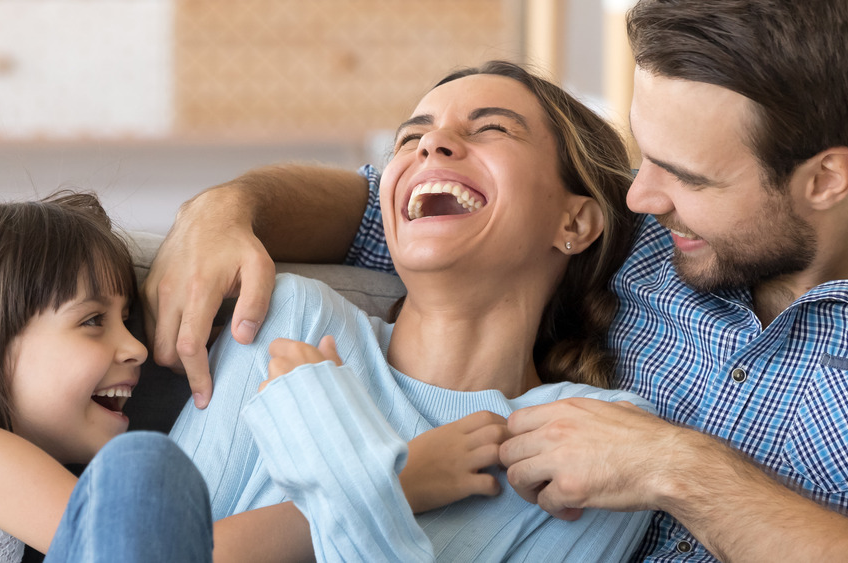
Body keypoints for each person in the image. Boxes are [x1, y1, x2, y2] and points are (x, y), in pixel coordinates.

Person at [143, 0, 848, 561]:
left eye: (685, 175)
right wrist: (228, 205)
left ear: (826, 178)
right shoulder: (645, 231)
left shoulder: (579, 440)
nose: (641, 194)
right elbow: (379, 208)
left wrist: (676, 466)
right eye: (646, 155)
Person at [169, 60, 654, 561]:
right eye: (409, 139)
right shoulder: (293, 320)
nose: (431, 145)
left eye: (491, 128)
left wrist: (334, 447)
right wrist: (393, 483)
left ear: (573, 222)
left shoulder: (597, 442)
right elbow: (143, 547)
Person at [0, 193, 217, 562]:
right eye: (93, 320)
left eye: (126, 321)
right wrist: (299, 498)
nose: (137, 348)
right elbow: (155, 552)